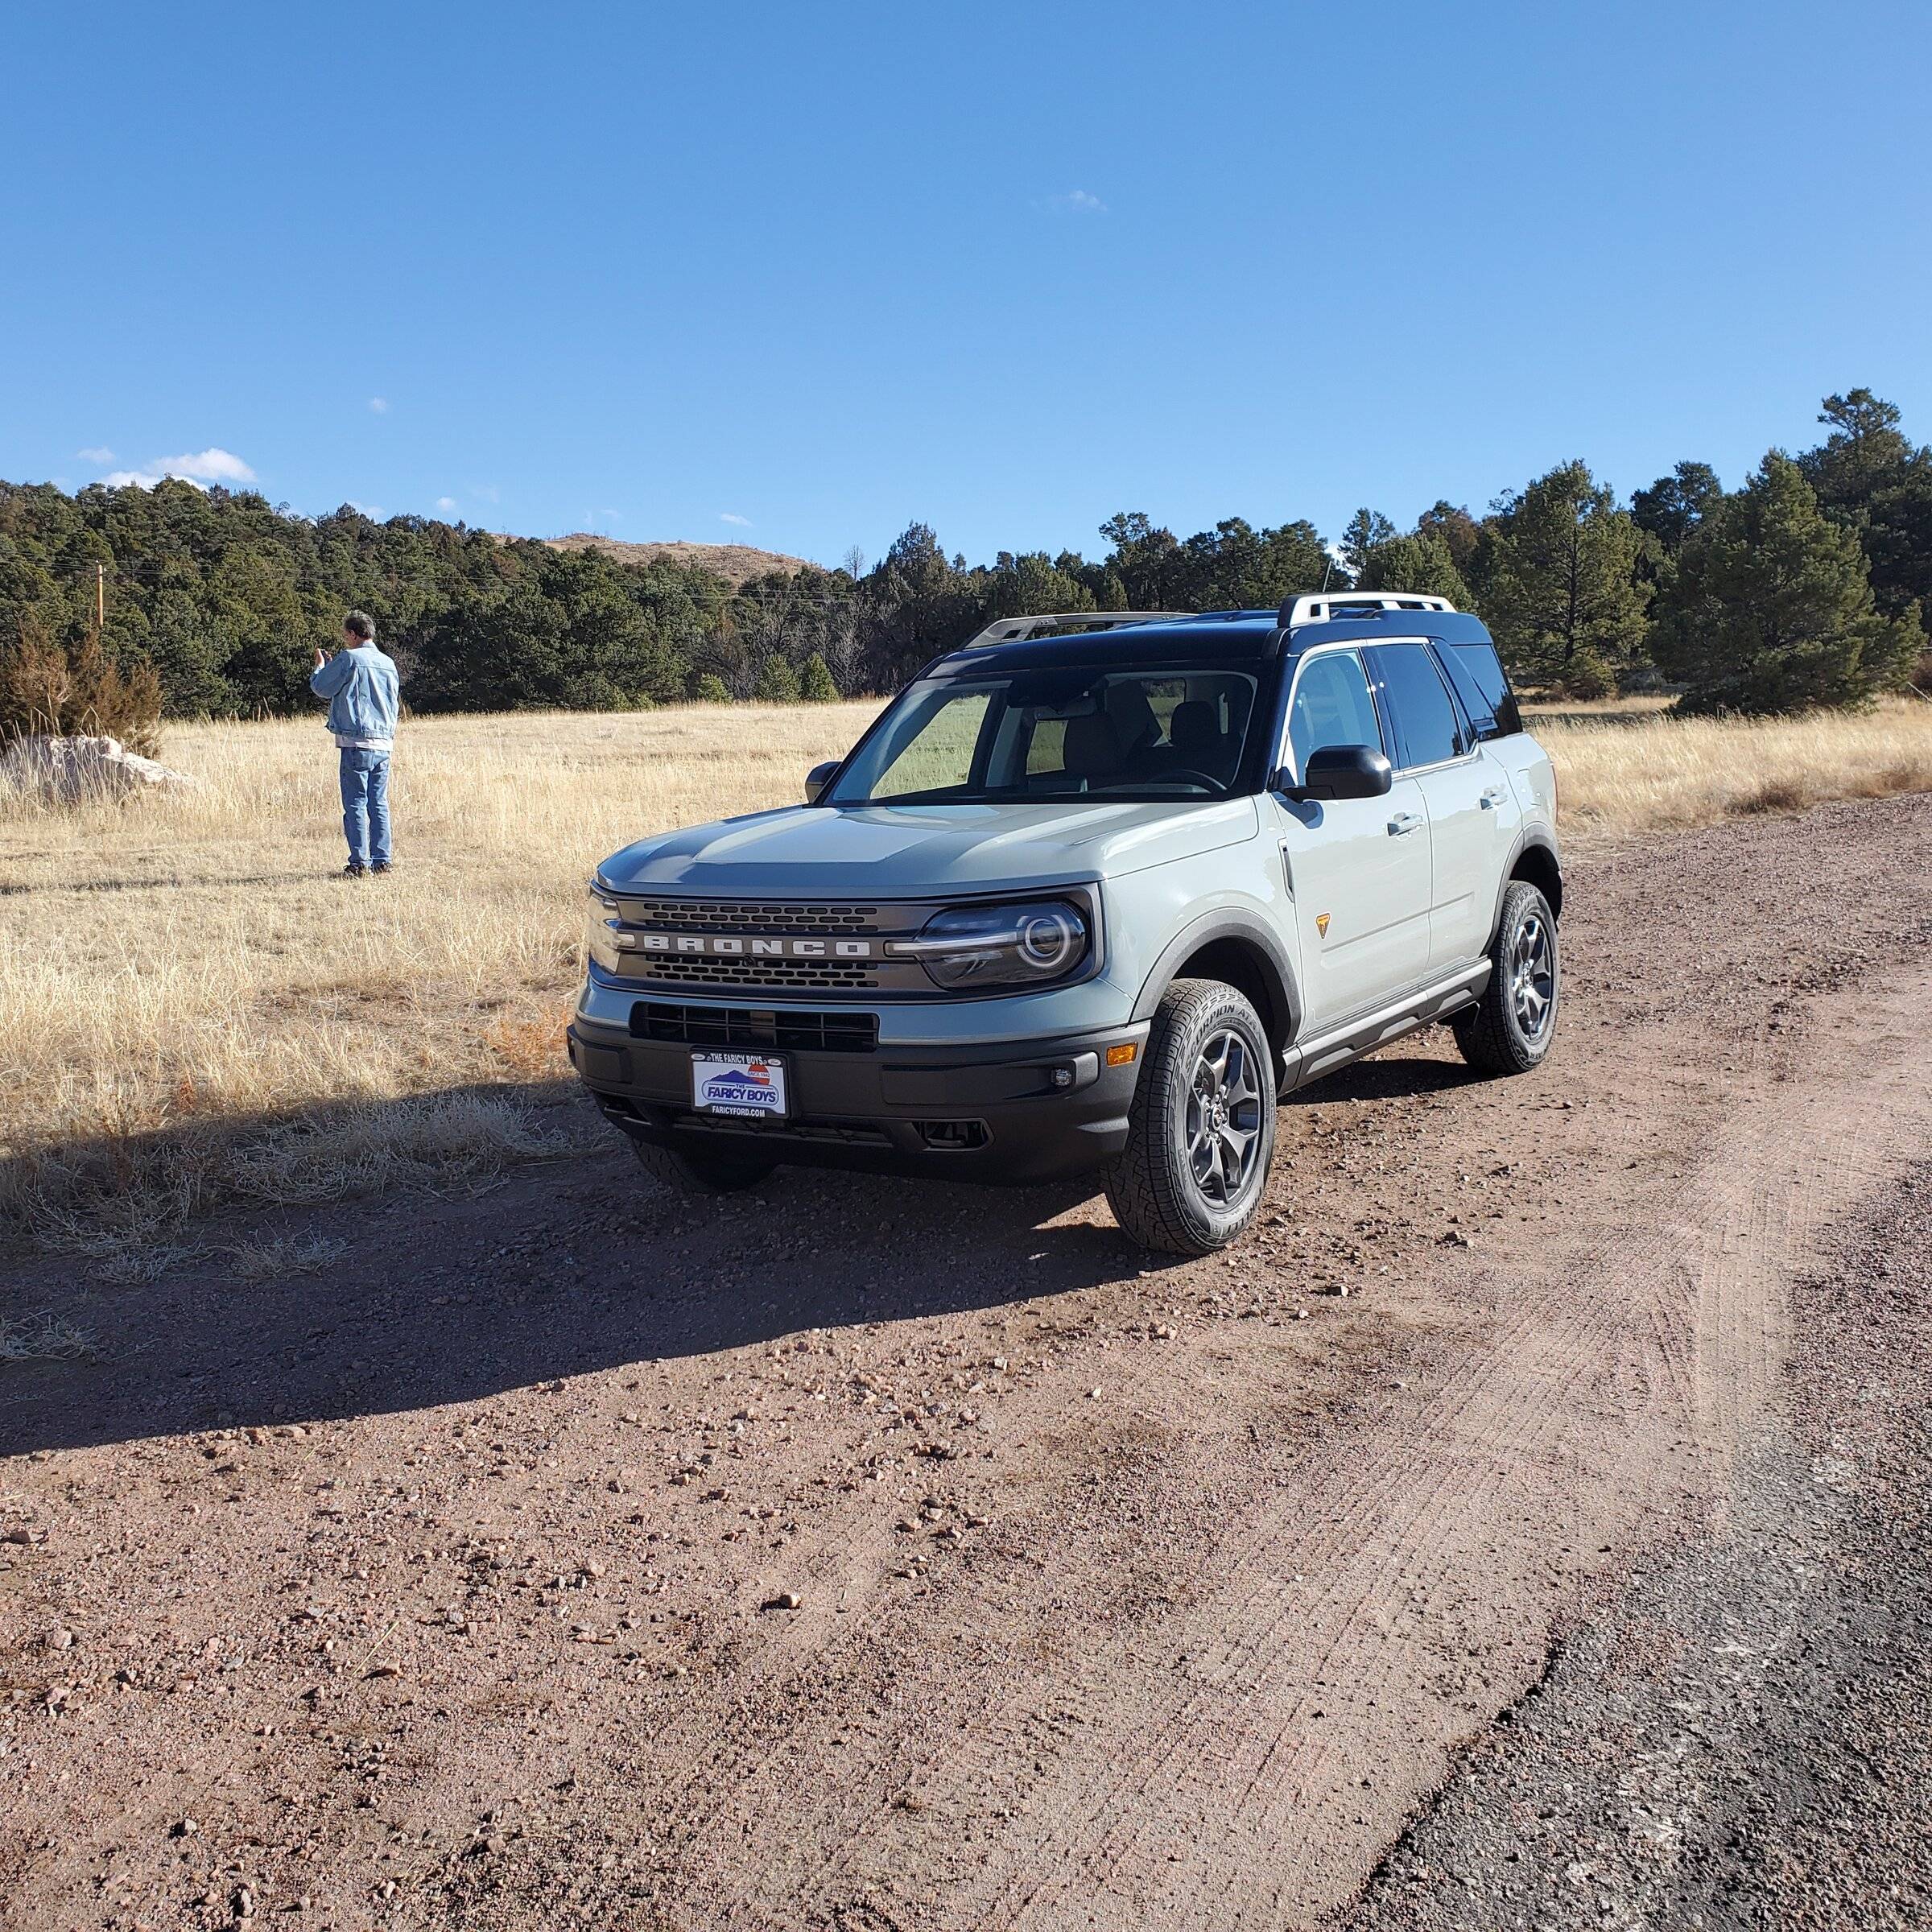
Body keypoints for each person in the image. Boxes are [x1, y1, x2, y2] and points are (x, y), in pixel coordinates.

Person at [311, 610, 401, 877]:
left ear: (352, 634)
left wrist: (320, 666)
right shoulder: (388, 662)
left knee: (356, 803)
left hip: (356, 741)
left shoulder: (349, 658)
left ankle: (359, 863)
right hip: (383, 742)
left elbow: (322, 688)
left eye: (346, 635)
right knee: (379, 802)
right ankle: (382, 860)